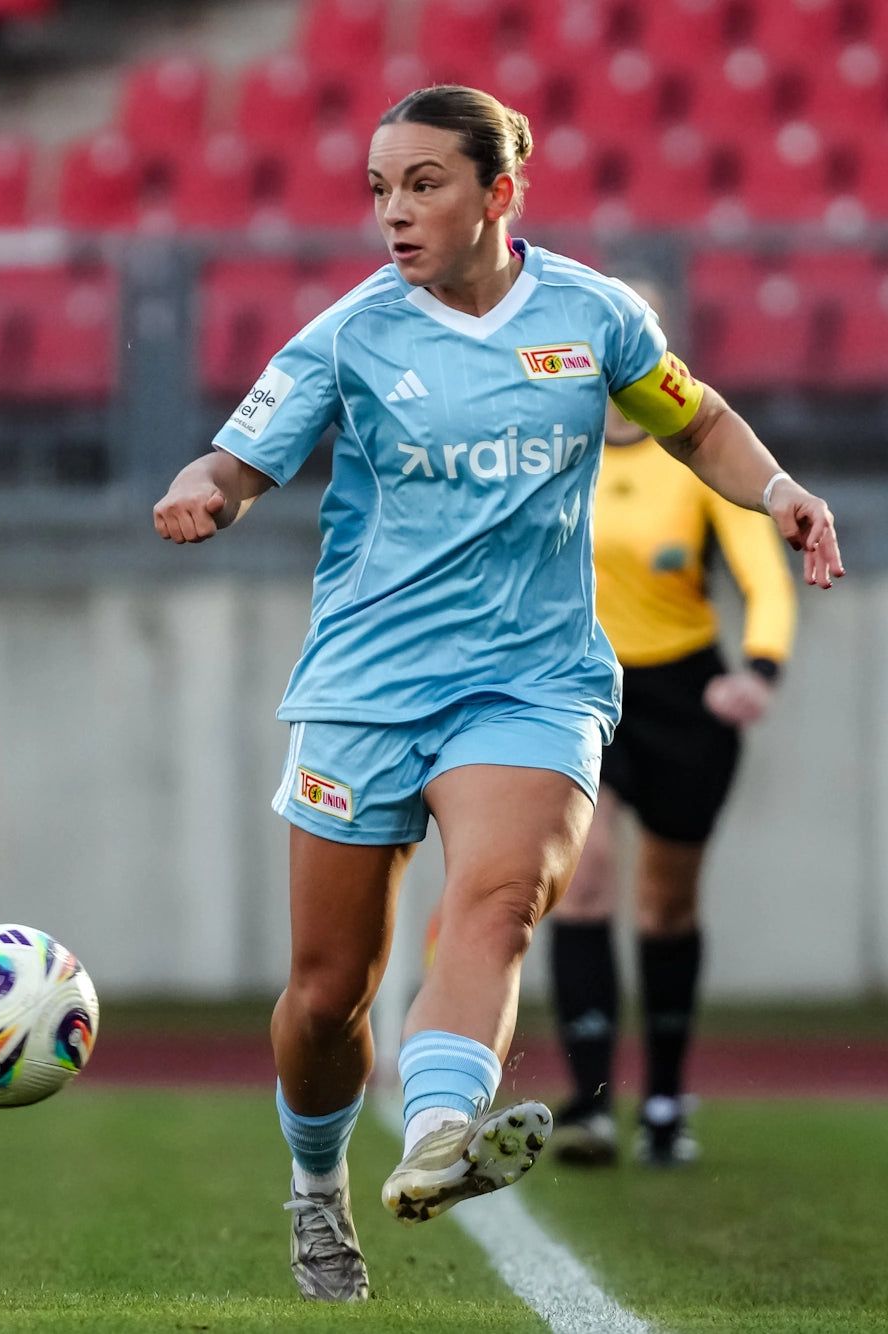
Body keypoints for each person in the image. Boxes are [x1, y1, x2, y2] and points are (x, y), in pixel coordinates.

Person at [152, 85, 843, 1303]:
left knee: (503, 896)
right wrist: (206, 488)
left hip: (532, 681)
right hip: (366, 686)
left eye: (423, 184)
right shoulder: (350, 334)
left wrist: (778, 490)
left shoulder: (594, 318)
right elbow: (241, 454)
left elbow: (698, 423)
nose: (395, 215)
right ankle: (317, 1190)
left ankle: (435, 1137)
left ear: (498, 194)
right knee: (326, 991)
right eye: (379, 189)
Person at [548, 283, 798, 1170]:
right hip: (579, 688)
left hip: (684, 696)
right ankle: (590, 1105)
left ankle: (662, 1096)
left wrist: (758, 671)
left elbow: (763, 575)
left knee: (666, 904)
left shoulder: (699, 458)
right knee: (583, 882)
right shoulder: (549, 448)